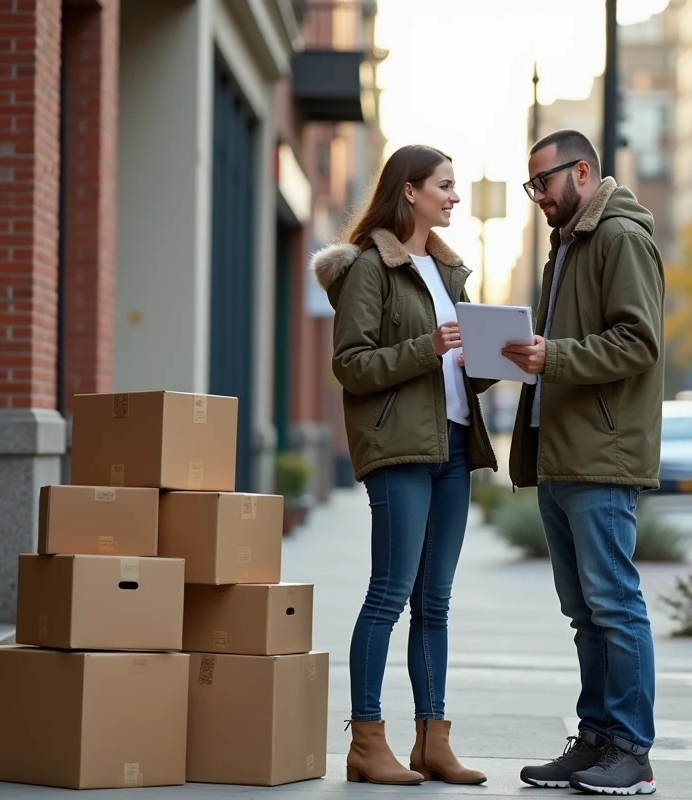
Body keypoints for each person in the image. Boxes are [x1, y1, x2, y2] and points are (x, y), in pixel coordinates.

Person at [309, 144, 498, 787]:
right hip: (398, 449)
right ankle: (366, 742)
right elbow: (352, 365)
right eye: (445, 185)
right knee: (388, 596)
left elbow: (452, 367)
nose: (454, 196)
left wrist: (489, 360)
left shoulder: (448, 274)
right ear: (410, 191)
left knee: (435, 602)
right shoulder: (369, 268)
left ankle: (432, 740)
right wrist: (427, 347)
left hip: (452, 445)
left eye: (456, 186)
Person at [504, 129, 665, 796]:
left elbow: (639, 341)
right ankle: (597, 738)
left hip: (603, 456)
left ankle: (631, 749)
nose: (537, 194)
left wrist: (554, 357)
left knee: (615, 607)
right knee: (585, 613)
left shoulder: (620, 237)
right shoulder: (565, 247)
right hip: (561, 453)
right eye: (531, 184)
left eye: (544, 181)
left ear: (583, 171)